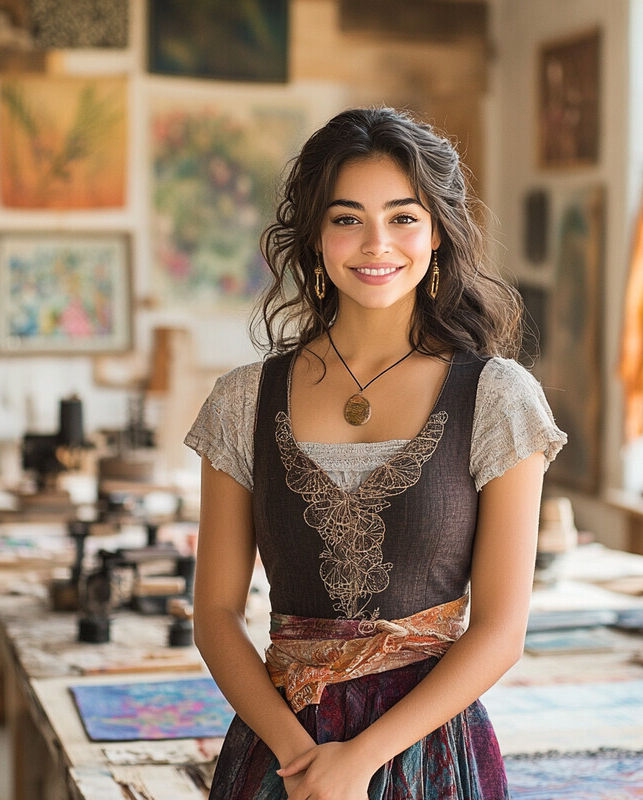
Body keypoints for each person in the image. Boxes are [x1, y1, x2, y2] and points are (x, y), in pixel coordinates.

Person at [185, 107, 567, 800]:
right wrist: (302, 760)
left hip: (432, 754)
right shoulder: (244, 400)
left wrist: (358, 761)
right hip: (279, 754)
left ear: (439, 233)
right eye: (346, 218)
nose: (375, 243)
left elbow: (502, 632)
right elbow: (213, 614)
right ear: (315, 236)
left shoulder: (498, 398)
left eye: (402, 217)